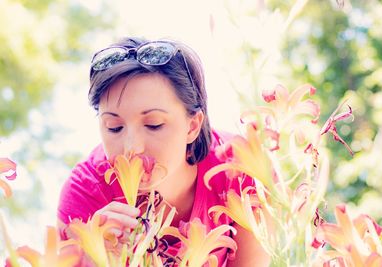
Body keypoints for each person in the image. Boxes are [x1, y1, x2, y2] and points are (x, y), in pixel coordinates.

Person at [57, 36, 269, 266]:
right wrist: (94, 258)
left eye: (154, 124)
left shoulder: (242, 167)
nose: (132, 149)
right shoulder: (85, 192)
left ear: (193, 125)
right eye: (114, 127)